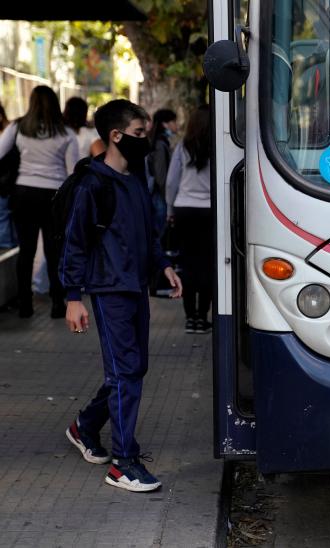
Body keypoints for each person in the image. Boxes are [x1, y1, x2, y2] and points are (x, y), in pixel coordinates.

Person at [60, 99, 182, 492]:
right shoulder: (92, 183)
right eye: (139, 133)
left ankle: (86, 425)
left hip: (135, 287)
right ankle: (123, 463)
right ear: (116, 136)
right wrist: (72, 297)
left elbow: (146, 231)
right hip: (109, 289)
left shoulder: (135, 178)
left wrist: (162, 264)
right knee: (125, 371)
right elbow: (74, 242)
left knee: (133, 368)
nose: (145, 140)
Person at [0, 86, 77, 318]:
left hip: (24, 193)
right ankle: (57, 303)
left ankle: (25, 304)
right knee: (54, 251)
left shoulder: (18, 127)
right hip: (54, 195)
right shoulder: (66, 132)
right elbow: (73, 170)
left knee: (26, 250)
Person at [166, 105, 212, 334]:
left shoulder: (183, 147)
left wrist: (169, 209)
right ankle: (203, 317)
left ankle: (190, 318)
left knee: (186, 264)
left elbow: (171, 182)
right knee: (207, 266)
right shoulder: (219, 147)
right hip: (209, 212)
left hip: (184, 209)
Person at [147, 108, 177, 238]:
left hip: (158, 195)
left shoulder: (159, 142)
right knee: (159, 234)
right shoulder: (160, 144)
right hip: (160, 197)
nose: (176, 125)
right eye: (174, 121)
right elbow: (161, 176)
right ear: (165, 124)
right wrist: (168, 199)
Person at [0, 104, 16, 249]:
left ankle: (8, 249)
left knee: (4, 216)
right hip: (10, 182)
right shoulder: (12, 128)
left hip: (6, 183)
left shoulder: (10, 130)